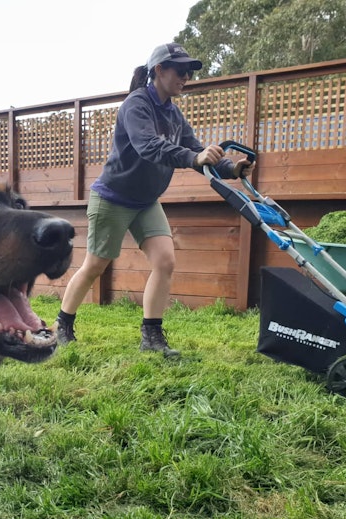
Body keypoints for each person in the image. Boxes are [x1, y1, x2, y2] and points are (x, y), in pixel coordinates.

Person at [54, 42, 254, 357]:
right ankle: (62, 326)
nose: (186, 76)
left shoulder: (174, 114)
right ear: (159, 70)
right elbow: (149, 146)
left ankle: (152, 336)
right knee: (96, 265)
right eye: (181, 70)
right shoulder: (136, 105)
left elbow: (197, 151)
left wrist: (231, 168)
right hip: (113, 198)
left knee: (165, 261)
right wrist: (194, 156)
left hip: (146, 201)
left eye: (189, 71)